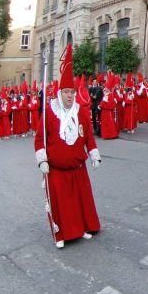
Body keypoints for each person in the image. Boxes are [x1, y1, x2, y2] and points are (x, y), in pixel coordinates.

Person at [34, 44, 102, 249]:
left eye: (73, 92)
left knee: (79, 201)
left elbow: (88, 135)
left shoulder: (81, 112)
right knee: (61, 204)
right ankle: (61, 233)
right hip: (56, 169)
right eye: (66, 92)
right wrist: (42, 160)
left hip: (78, 167)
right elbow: (39, 139)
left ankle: (81, 229)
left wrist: (93, 154)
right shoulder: (49, 113)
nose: (70, 96)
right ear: (59, 93)